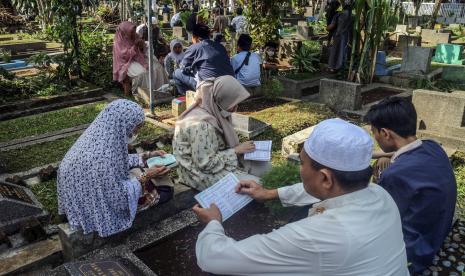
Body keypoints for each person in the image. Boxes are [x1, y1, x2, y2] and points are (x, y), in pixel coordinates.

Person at [193, 118, 409, 275]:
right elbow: (316, 190)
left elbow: (215, 258)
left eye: (302, 164)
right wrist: (270, 193)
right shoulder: (379, 194)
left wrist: (213, 222)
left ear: (325, 178)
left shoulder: (317, 237)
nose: (300, 170)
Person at [364, 97, 457, 274]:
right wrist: (385, 155)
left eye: (373, 132)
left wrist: (377, 182)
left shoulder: (395, 175)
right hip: (437, 231)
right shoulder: (433, 147)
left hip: (412, 254)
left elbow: (379, 222)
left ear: (385, 133)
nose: (374, 137)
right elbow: (401, 151)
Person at [57, 100, 172, 238]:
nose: (137, 132)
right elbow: (119, 199)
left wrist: (147, 156)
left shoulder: (98, 135)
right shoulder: (107, 155)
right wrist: (147, 175)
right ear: (125, 125)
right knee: (166, 191)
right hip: (98, 204)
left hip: (80, 198)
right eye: (136, 128)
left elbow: (117, 161)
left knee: (138, 173)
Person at [173, 75, 266, 190]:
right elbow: (205, 164)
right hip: (197, 173)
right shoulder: (201, 125)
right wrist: (236, 150)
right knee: (258, 185)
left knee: (267, 169)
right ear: (221, 100)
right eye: (233, 103)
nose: (236, 108)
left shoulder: (214, 110)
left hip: (219, 159)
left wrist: (237, 150)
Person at [173, 23, 234, 95]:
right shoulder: (220, 46)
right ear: (208, 35)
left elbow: (183, 68)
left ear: (194, 37)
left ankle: (189, 97)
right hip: (228, 83)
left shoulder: (194, 47)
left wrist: (190, 69)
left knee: (176, 73)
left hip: (209, 87)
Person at [112, 21, 147, 96]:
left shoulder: (134, 36)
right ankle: (138, 93)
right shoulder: (118, 42)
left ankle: (146, 91)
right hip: (124, 63)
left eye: (134, 31)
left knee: (153, 68)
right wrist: (135, 47)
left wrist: (141, 45)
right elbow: (124, 56)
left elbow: (141, 50)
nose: (133, 33)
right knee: (141, 73)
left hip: (136, 58)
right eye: (131, 31)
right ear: (125, 31)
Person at [326, 0, 353, 72]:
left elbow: (330, 27)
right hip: (347, 36)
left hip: (338, 35)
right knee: (343, 51)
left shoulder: (339, 14)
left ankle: (332, 67)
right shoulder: (351, 15)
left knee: (335, 51)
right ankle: (341, 67)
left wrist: (327, 28)